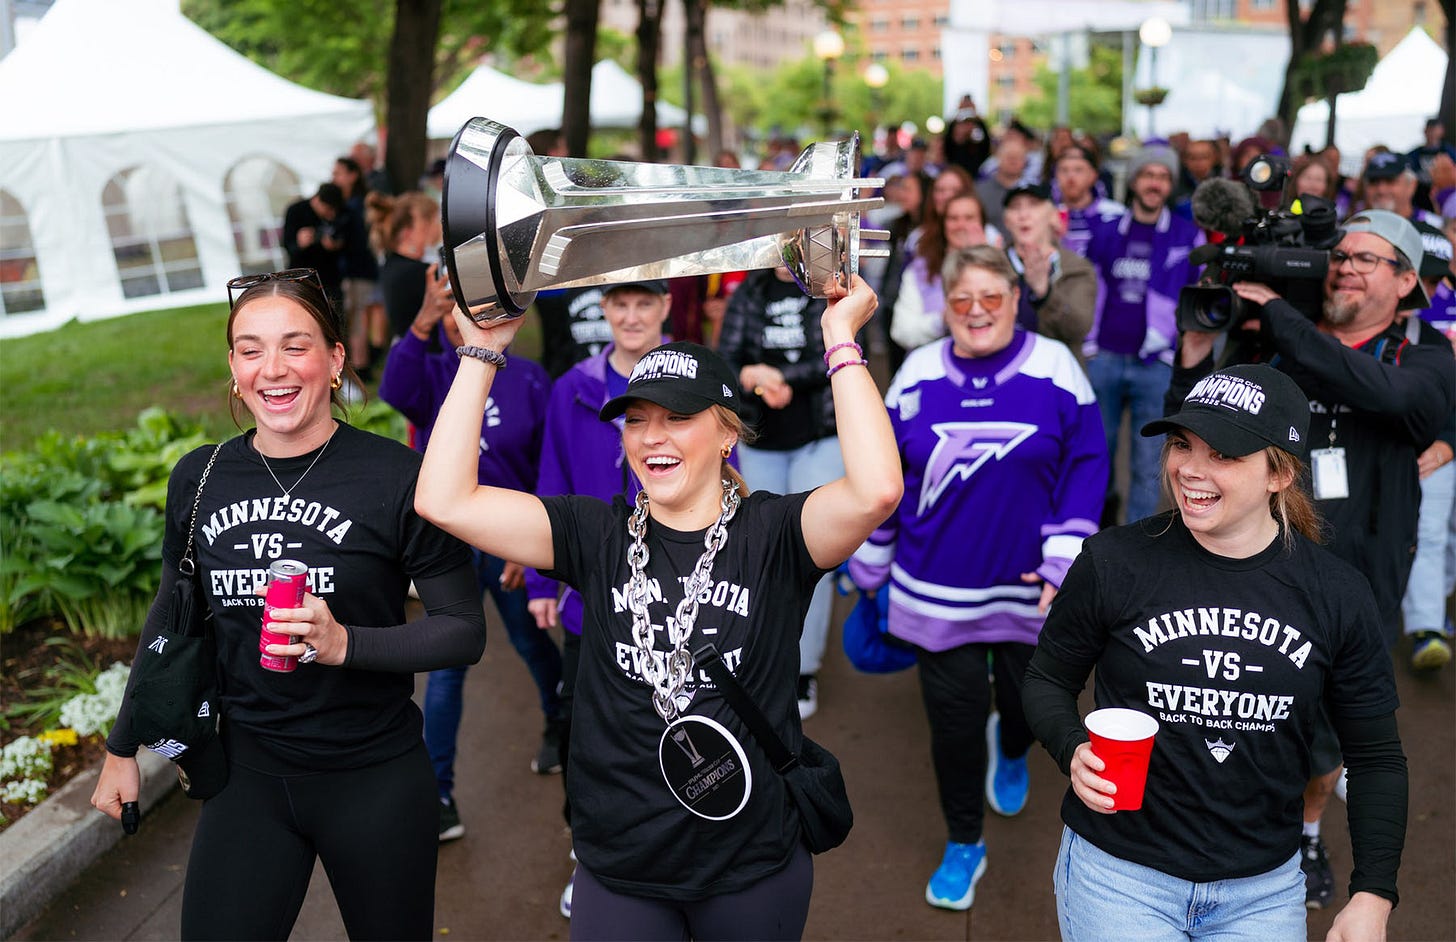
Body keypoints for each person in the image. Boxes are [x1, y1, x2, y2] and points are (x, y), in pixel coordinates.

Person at [416, 274, 902, 939]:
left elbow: (876, 490)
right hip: (621, 867)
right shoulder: (596, 532)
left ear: (728, 434)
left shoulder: (774, 535)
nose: (650, 438)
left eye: (677, 417)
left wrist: (840, 338)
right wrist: (481, 353)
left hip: (750, 863)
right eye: (637, 420)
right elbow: (444, 500)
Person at [91, 269, 486, 940]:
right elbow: (170, 614)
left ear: (335, 360)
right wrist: (122, 745)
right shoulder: (201, 475)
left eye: (295, 345)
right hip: (250, 774)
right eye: (250, 349)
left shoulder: (395, 477)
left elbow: (462, 631)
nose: (272, 369)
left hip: (375, 777)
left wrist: (344, 645)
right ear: (234, 368)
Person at [1022, 362, 1408, 942]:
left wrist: (1373, 893)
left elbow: (1376, 756)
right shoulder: (1114, 562)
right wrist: (1072, 747)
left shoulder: (1336, 593)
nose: (1189, 470)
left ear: (1280, 472)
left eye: (1223, 454)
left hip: (1264, 891)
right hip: (1120, 877)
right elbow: (1047, 680)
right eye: (1182, 445)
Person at [1165, 210, 1451, 910]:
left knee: (1325, 732)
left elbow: (1387, 397)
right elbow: (1194, 424)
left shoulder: (1425, 355)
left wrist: (1281, 322)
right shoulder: (1277, 343)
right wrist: (1200, 349)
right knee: (1235, 703)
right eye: (1339, 255)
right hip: (1260, 560)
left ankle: (1308, 831)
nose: (1345, 266)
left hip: (1359, 574)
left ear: (1408, 280)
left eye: (1367, 258)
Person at [851, 245, 1107, 912]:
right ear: (945, 307)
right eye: (962, 299)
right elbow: (885, 476)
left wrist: (1064, 555)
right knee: (954, 728)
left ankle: (1014, 747)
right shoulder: (914, 372)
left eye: (992, 297)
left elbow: (1086, 465)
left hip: (1032, 588)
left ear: (1017, 300)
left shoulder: (1056, 367)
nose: (977, 312)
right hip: (934, 589)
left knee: (1028, 706)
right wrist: (871, 559)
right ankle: (965, 840)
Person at [377, 267, 561, 842]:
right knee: (449, 668)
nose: (469, 318)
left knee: (532, 642)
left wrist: (527, 546)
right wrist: (426, 317)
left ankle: (562, 724)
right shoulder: (434, 374)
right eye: (459, 309)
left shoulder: (530, 379)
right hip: (449, 548)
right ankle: (439, 793)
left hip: (507, 542)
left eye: (478, 308)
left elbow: (542, 466)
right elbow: (391, 391)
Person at [523, 278, 675, 918]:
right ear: (603, 309)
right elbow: (551, 483)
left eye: (645, 303)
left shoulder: (689, 381)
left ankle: (671, 847)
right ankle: (590, 855)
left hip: (673, 595)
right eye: (620, 303)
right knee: (588, 733)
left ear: (666, 307)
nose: (632, 315)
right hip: (593, 597)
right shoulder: (573, 388)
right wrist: (541, 579)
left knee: (669, 727)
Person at [717, 266, 838, 719]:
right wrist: (751, 375)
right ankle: (767, 655)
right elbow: (726, 358)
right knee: (761, 552)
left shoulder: (824, 291)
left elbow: (840, 352)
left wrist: (784, 376)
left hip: (819, 435)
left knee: (812, 549)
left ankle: (805, 665)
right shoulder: (750, 291)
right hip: (761, 440)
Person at [1083, 145, 1205, 526]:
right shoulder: (1105, 232)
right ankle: (1096, 535)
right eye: (1149, 175)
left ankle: (1133, 541)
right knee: (1095, 456)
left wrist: (1178, 348)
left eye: (1164, 177)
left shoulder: (1187, 236)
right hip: (1104, 356)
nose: (1155, 183)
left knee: (1147, 463)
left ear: (1170, 185)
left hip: (1156, 363)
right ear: (1134, 180)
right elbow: (1089, 287)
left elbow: (1197, 297)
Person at [1400, 221, 1456, 672]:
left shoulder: (1442, 321)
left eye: (1436, 276)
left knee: (1432, 534)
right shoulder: (1358, 309)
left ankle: (1427, 626)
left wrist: (1450, 442)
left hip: (1436, 445)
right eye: (1421, 273)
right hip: (1373, 446)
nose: (1428, 287)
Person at [1001, 183, 1098, 364]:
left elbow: (1078, 330)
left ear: (1053, 215)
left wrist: (1045, 293)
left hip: (1055, 372)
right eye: (1015, 207)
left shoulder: (1076, 268)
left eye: (1033, 205)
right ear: (1006, 220)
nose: (1023, 215)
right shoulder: (994, 265)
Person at [892, 192, 994, 354]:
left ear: (982, 224)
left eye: (969, 218)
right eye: (953, 218)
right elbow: (901, 331)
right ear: (943, 224)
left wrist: (984, 258)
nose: (961, 225)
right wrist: (941, 320)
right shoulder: (920, 270)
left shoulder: (998, 268)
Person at [366, 191, 442, 345]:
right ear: (408, 233)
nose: (438, 227)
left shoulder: (391, 265)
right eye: (428, 224)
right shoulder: (417, 273)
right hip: (428, 358)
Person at [1053, 145, 1125, 260]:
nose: (1070, 177)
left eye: (1078, 170)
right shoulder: (1046, 215)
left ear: (1094, 175)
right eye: (1064, 170)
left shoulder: (1115, 214)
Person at [282, 183, 346, 305]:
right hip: (302, 277)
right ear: (317, 200)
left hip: (330, 278)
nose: (331, 215)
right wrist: (300, 243)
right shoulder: (296, 211)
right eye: (328, 209)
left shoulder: (339, 215)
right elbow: (287, 245)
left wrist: (335, 245)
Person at [1361, 151, 1443, 227]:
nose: (1381, 190)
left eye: (1390, 181)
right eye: (1373, 181)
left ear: (1411, 185)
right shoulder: (1355, 227)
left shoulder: (1437, 228)